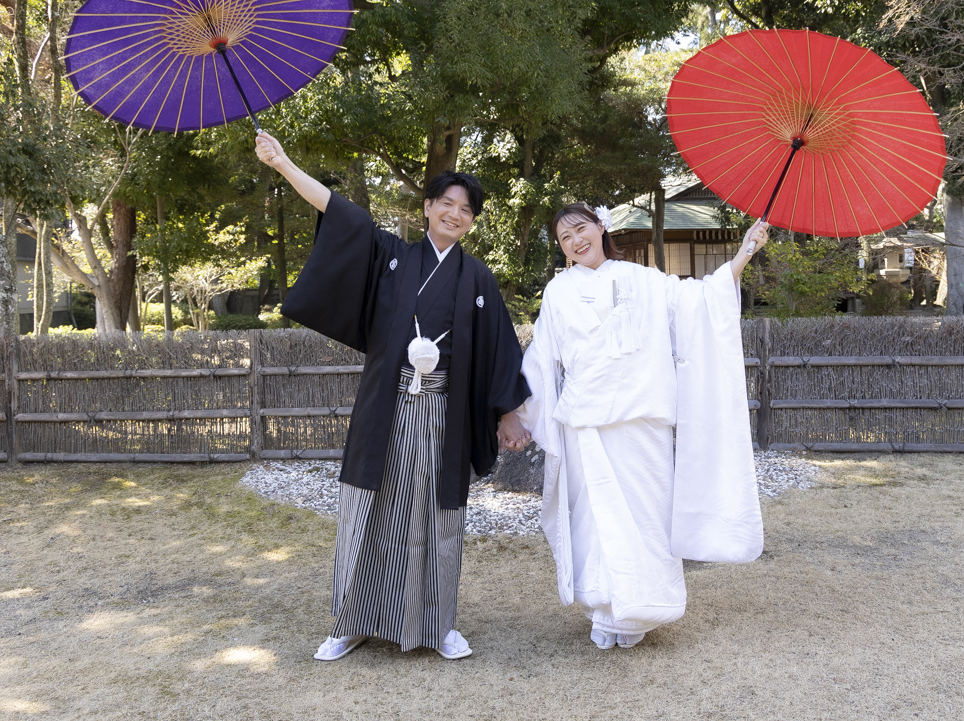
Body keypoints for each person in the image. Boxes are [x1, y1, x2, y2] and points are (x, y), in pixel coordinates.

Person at [255, 132, 532, 661]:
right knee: (369, 504)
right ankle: (351, 621)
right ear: (427, 207)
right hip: (387, 404)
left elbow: (499, 348)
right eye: (446, 203)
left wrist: (508, 413)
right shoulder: (392, 256)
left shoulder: (477, 277)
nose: (454, 214)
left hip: (444, 413)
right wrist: (285, 164)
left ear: (472, 221)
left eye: (465, 210)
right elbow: (343, 214)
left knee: (435, 514)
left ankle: (436, 624)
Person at [514, 203, 769, 649]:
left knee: (647, 515)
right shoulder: (557, 291)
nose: (575, 241)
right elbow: (541, 360)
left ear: (601, 227)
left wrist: (745, 251)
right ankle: (603, 607)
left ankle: (642, 608)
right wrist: (517, 415)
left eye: (581, 229)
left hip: (642, 419)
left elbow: (700, 300)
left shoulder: (644, 279)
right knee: (595, 519)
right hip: (586, 420)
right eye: (564, 238)